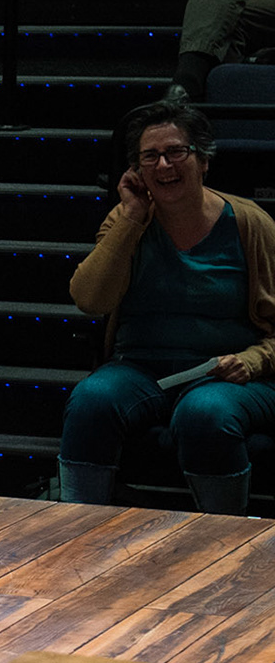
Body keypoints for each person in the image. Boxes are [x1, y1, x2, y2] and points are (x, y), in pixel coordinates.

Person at [59, 101, 275, 514]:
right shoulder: (127, 221)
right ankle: (75, 530)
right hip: (141, 369)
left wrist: (253, 359)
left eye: (176, 152)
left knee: (205, 412)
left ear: (204, 159)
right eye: (149, 157)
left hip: (231, 374)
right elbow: (90, 299)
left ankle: (222, 540)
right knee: (92, 399)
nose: (163, 165)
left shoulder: (251, 224)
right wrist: (132, 218)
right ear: (136, 171)